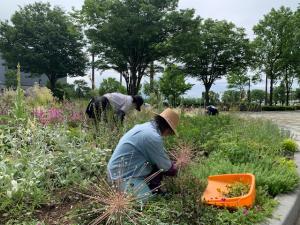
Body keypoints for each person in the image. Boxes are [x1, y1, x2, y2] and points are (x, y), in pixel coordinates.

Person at [107, 108, 179, 201]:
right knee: (148, 203)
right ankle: (142, 193)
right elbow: (166, 167)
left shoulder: (145, 127)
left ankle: (152, 190)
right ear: (167, 129)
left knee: (154, 167)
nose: (166, 136)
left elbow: (160, 155)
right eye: (169, 133)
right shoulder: (153, 136)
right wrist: (175, 167)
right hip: (122, 177)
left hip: (116, 171)